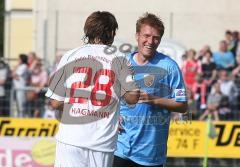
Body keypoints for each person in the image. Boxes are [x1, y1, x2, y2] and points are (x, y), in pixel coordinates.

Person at [45, 11, 139, 167]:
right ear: (111, 32)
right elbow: (132, 98)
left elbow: (55, 103)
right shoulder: (120, 58)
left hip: (71, 139)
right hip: (102, 142)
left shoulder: (70, 55)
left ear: (87, 31)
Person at [113, 13, 188, 167]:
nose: (150, 41)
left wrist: (152, 99)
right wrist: (113, 115)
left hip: (150, 156)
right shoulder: (122, 63)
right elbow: (110, 96)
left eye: (156, 38)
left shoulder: (170, 67)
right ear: (137, 36)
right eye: (146, 36)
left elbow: (182, 105)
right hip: (119, 149)